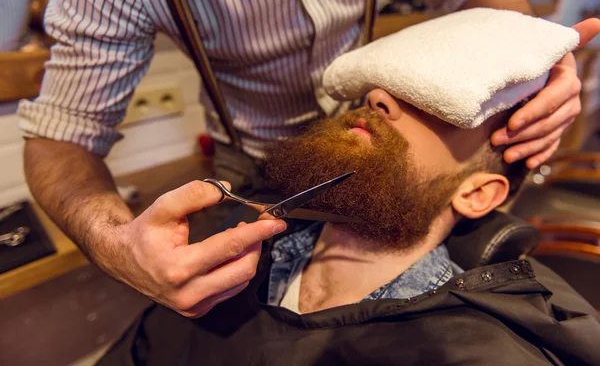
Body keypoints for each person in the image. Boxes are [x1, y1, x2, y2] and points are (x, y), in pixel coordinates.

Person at [16, 0, 587, 319]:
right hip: (256, 155)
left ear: (480, 193)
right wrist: (117, 245)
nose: (377, 95)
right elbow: (61, 137)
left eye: (423, 100)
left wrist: (540, 58)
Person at [98, 86, 600, 365]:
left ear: (476, 193)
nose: (378, 96)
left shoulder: (475, 352)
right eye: (382, 84)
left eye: (439, 101)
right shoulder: (235, 258)